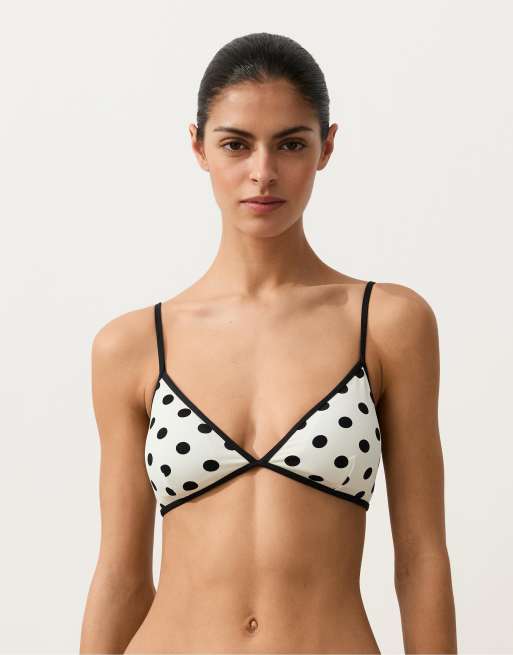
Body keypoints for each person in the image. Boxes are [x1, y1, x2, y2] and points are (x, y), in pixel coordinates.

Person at [80, 32, 457, 654]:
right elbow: (121, 576)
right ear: (199, 147)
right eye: (236, 144)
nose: (263, 172)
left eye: (290, 144)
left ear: (326, 147)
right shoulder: (132, 346)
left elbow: (421, 559)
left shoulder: (387, 324)